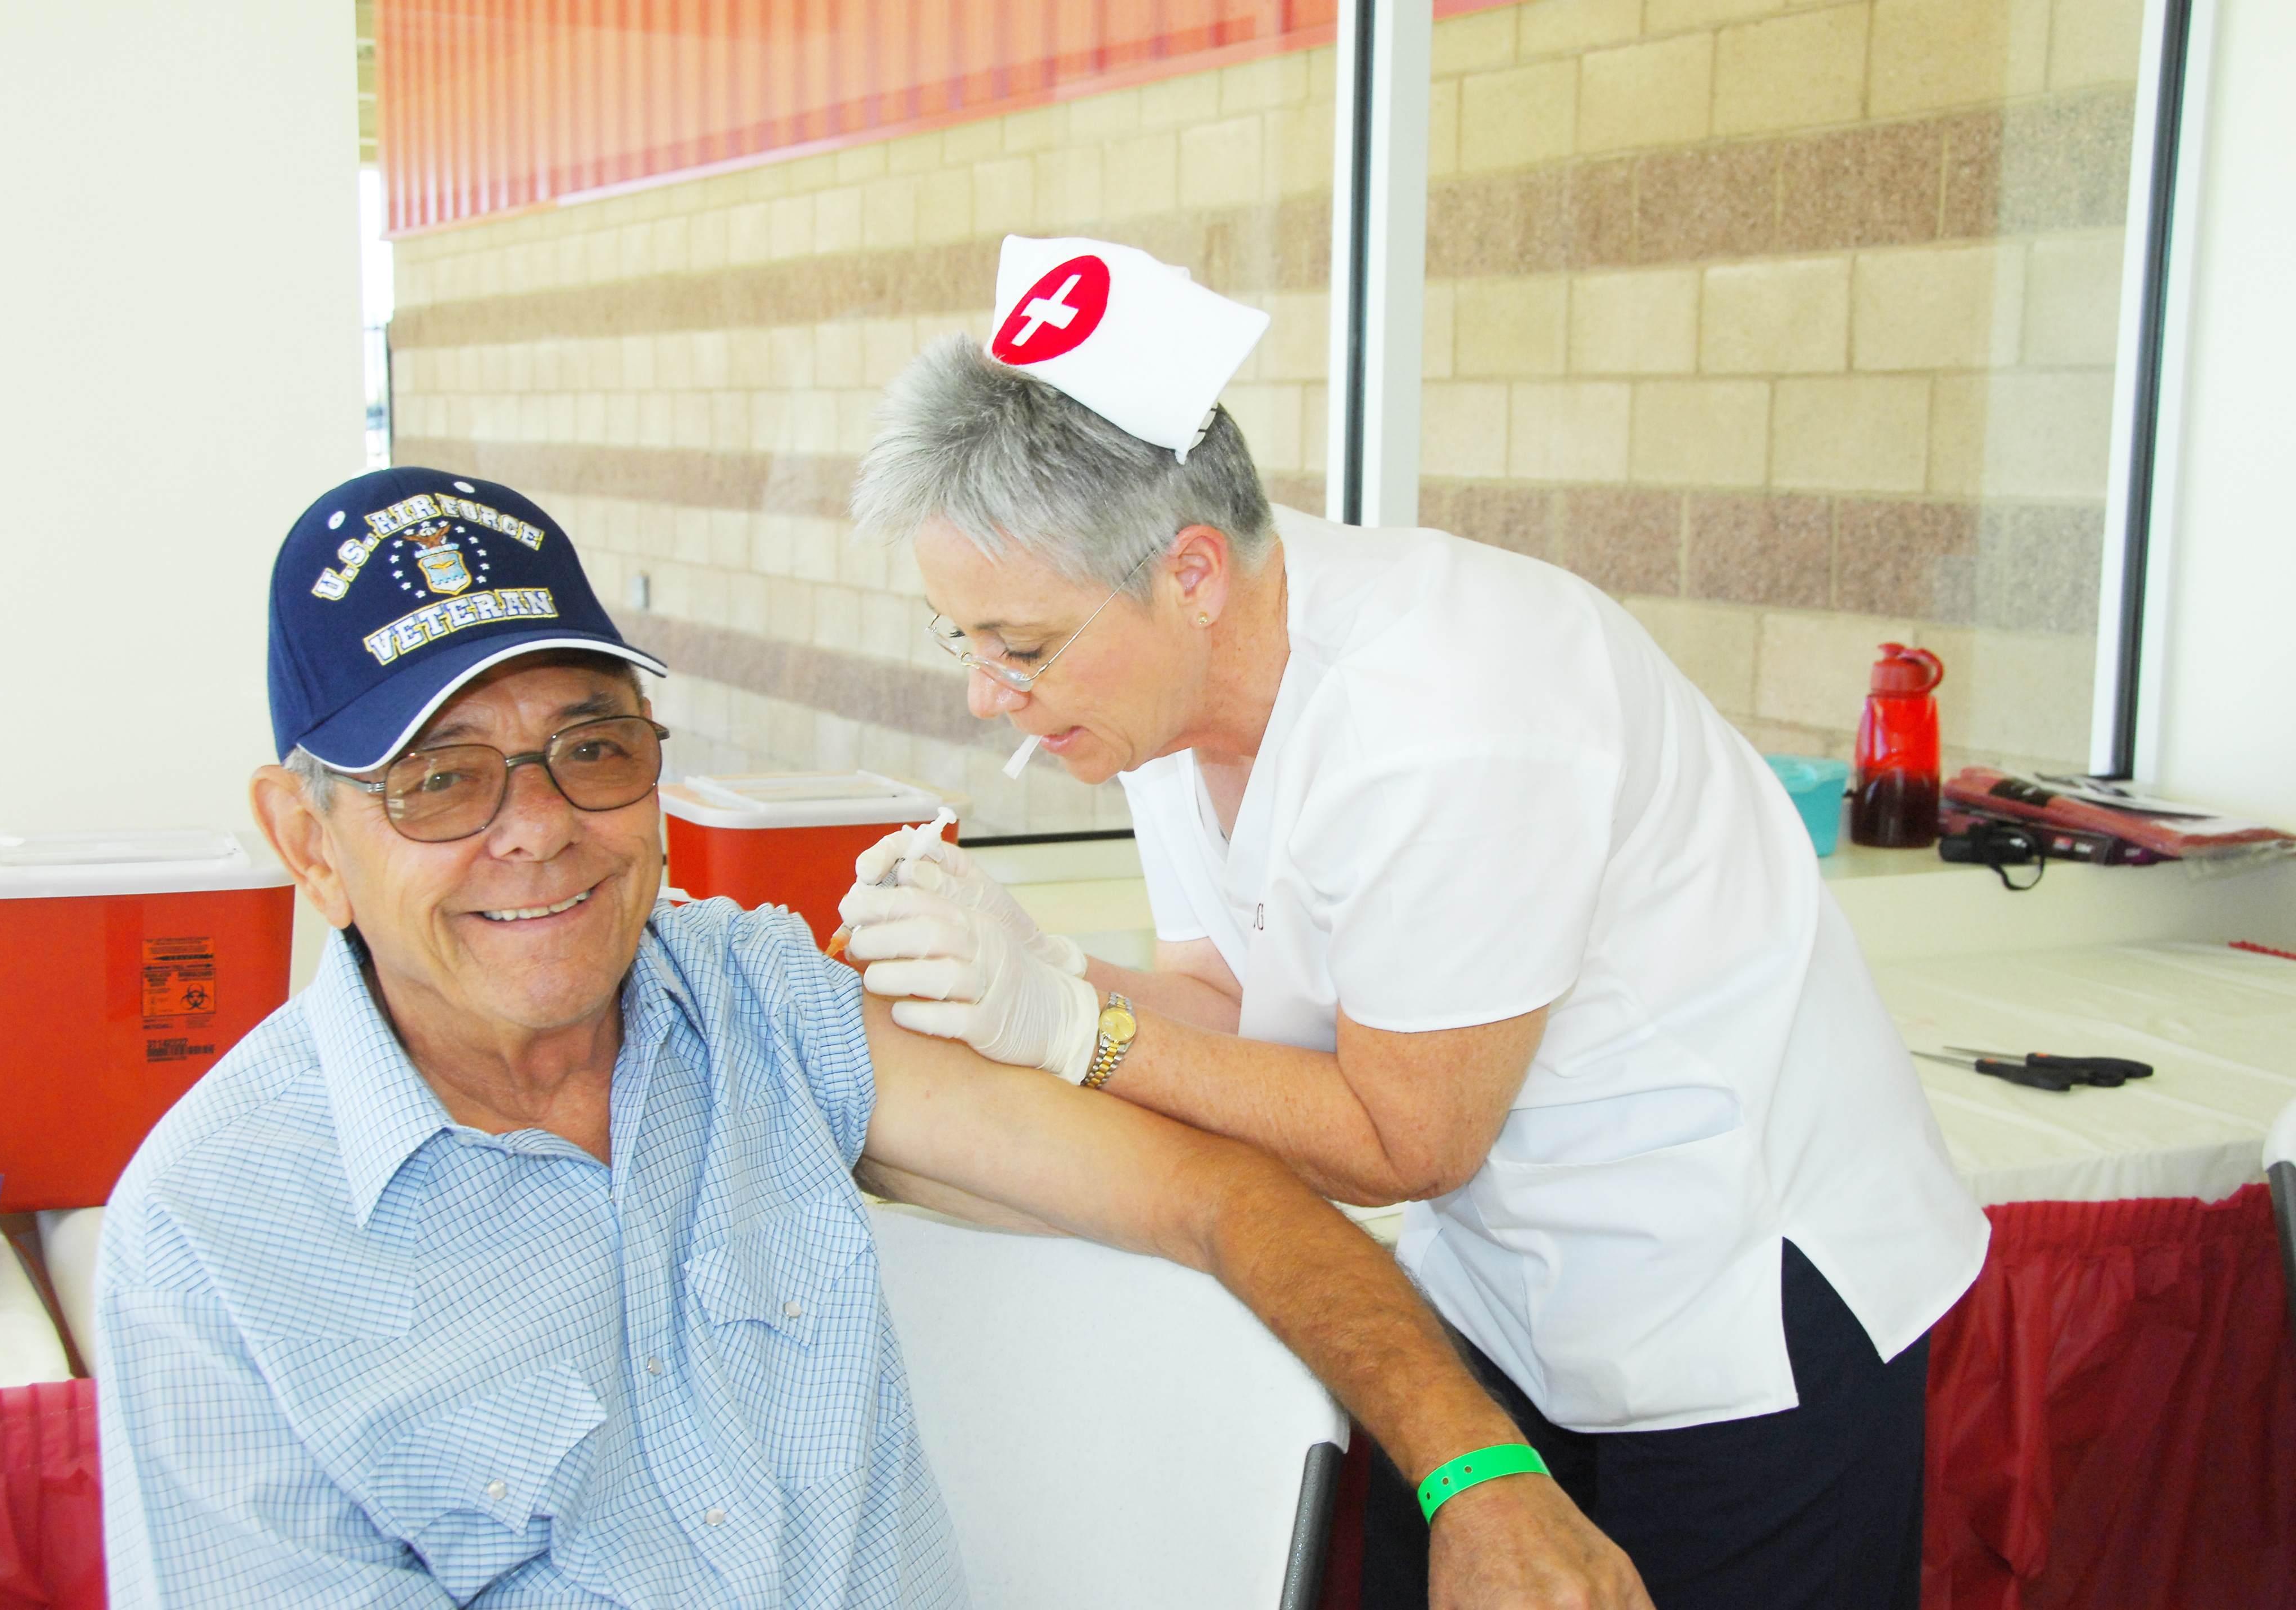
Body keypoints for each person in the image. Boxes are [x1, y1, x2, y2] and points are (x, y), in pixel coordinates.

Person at [93, 465, 1650, 1609]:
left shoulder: (756, 1009)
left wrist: (1476, 1471)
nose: (541, 834)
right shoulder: (219, 1245)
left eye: (594, 747)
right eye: (440, 780)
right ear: (304, 835)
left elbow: (1218, 1199)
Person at [838, 237, 1992, 1610]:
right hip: (1504, 1283)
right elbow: (1227, 1011)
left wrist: (1067, 1019)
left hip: (1738, 1285)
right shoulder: (1163, 696)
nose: (986, 695)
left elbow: (1404, 1141)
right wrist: (1023, 974)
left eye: (1018, 647)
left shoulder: (1449, 712)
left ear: (1190, 573)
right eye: (955, 636)